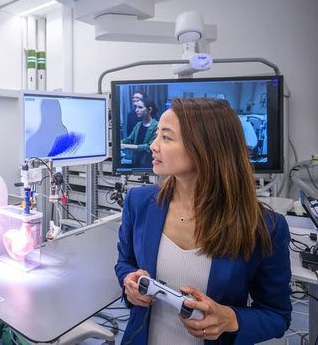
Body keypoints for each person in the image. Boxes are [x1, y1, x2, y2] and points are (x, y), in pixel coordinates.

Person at [115, 97, 291, 344]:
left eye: (166, 137)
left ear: (204, 147)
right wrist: (129, 282)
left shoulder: (264, 227)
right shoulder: (139, 202)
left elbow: (277, 315)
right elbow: (125, 263)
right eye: (157, 135)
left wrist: (229, 318)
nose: (154, 146)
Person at [121, 99, 158, 168]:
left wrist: (126, 146)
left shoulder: (156, 126)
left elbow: (148, 147)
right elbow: (130, 139)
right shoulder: (138, 125)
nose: (136, 110)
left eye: (140, 107)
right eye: (136, 107)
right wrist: (120, 143)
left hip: (149, 165)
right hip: (136, 162)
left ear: (149, 110)